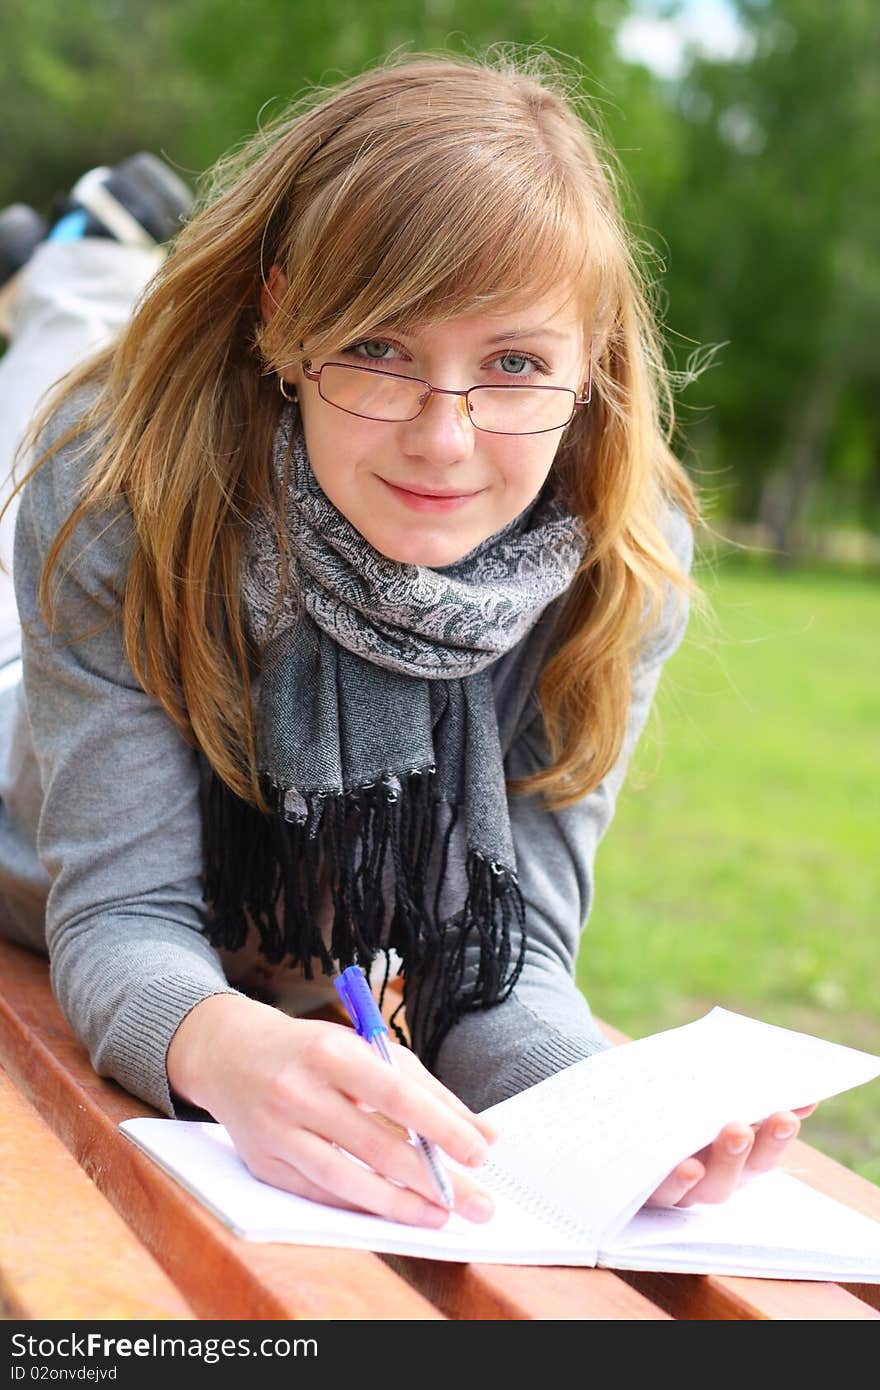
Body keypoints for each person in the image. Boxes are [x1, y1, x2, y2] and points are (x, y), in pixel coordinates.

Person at [0, 50, 811, 1230]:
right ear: (283, 319)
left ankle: (86, 247)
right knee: (41, 422)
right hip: (30, 777)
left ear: (590, 365)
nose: (444, 438)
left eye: (515, 363)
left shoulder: (612, 571)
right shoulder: (118, 488)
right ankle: (85, 252)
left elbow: (505, 950)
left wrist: (599, 1107)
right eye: (379, 348)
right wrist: (227, 1048)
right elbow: (120, 914)